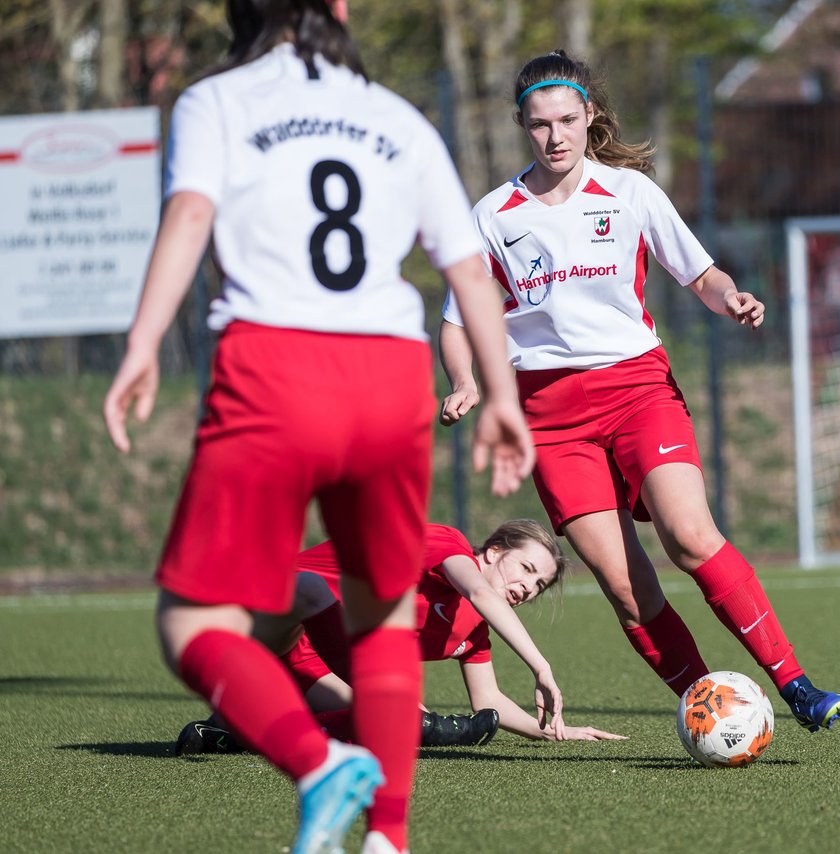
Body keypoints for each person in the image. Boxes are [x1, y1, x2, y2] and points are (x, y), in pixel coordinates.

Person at [101, 3, 533, 853]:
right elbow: (467, 270)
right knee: (381, 623)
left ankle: (316, 762)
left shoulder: (215, 99)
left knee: (193, 626)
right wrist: (504, 398)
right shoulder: (396, 115)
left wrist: (144, 341)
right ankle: (389, 840)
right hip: (388, 375)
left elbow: (190, 219)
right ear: (339, 10)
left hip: (272, 371)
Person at [437, 50, 840, 732]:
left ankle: (795, 684)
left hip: (637, 389)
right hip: (550, 418)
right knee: (629, 591)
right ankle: (710, 711)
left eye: (568, 119)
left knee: (690, 538)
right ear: (521, 125)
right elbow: (456, 323)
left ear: (589, 115)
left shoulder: (629, 193)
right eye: (539, 125)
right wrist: (463, 380)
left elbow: (701, 274)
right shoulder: (494, 215)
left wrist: (733, 299)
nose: (556, 136)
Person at [176, 520, 624, 753]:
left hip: (305, 660)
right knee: (311, 590)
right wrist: (541, 666)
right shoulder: (447, 545)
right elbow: (480, 589)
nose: (529, 587)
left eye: (539, 585)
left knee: (406, 725)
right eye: (527, 569)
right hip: (257, 620)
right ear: (493, 552)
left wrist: (550, 731)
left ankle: (235, 732)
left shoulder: (473, 628)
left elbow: (489, 703)